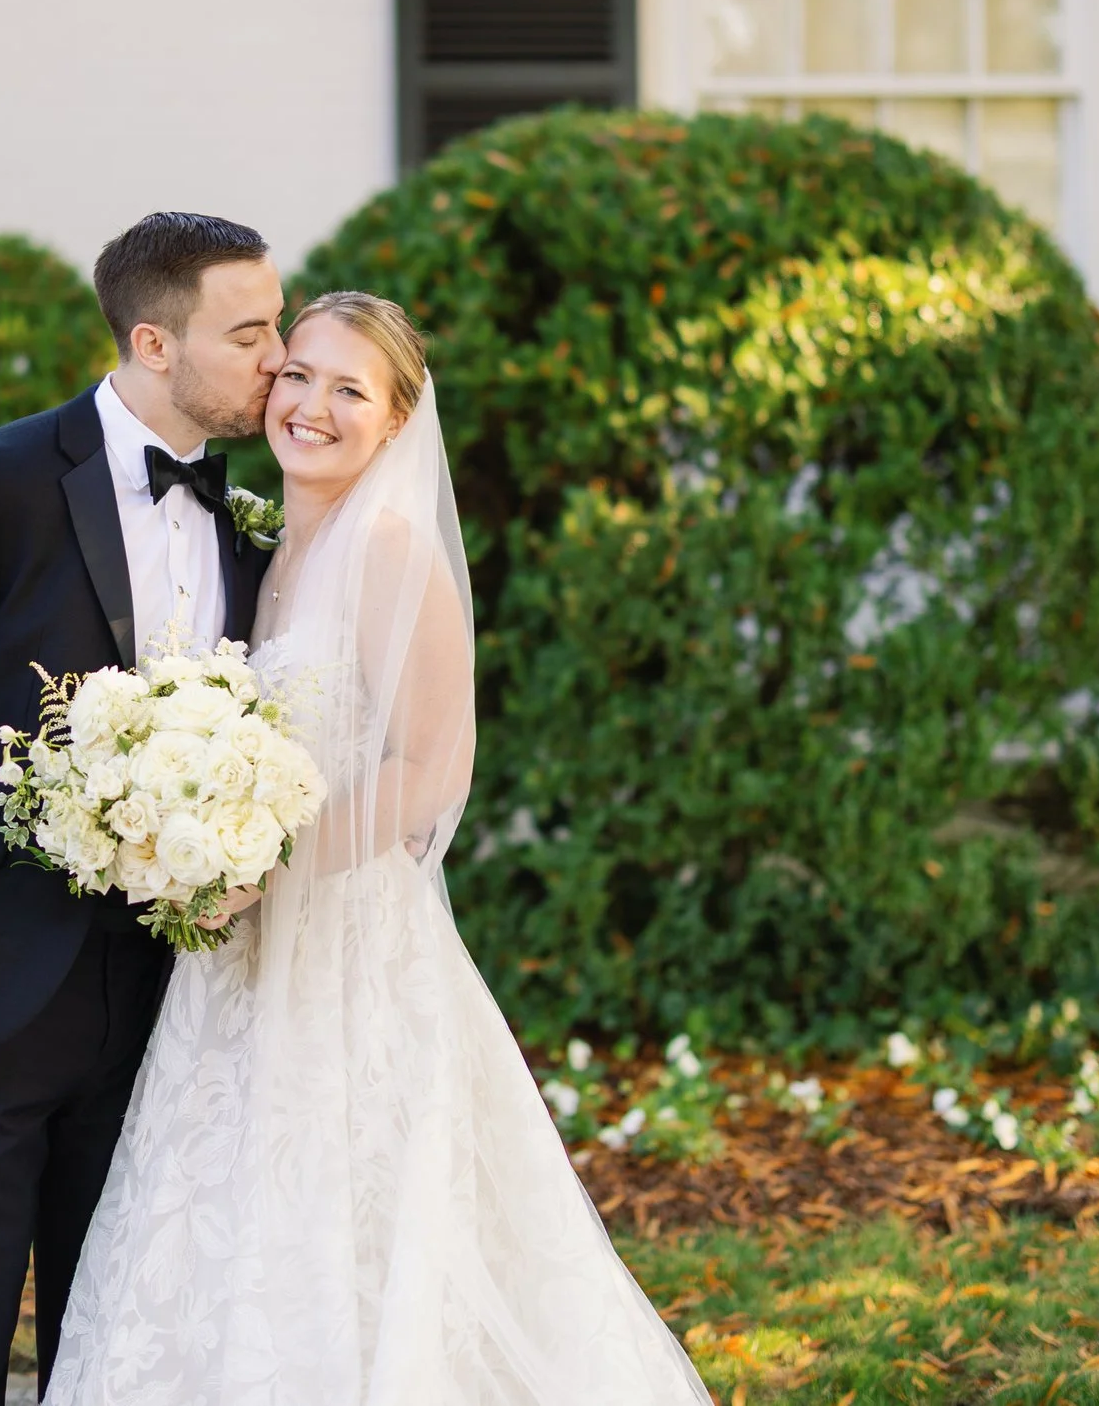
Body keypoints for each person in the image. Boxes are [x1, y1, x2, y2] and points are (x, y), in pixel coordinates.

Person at [45, 292, 716, 1404]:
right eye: (297, 372)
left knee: (353, 1230)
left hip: (346, 955)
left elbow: (426, 769)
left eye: (349, 389)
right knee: (222, 1217)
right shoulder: (263, 542)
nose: (310, 404)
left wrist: (262, 859)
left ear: (398, 422)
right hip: (240, 962)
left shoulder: (391, 548)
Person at [0, 211, 287, 1404]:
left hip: (163, 993)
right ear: (154, 342)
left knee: (114, 1314)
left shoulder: (244, 519)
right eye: (250, 331)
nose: (277, 354)